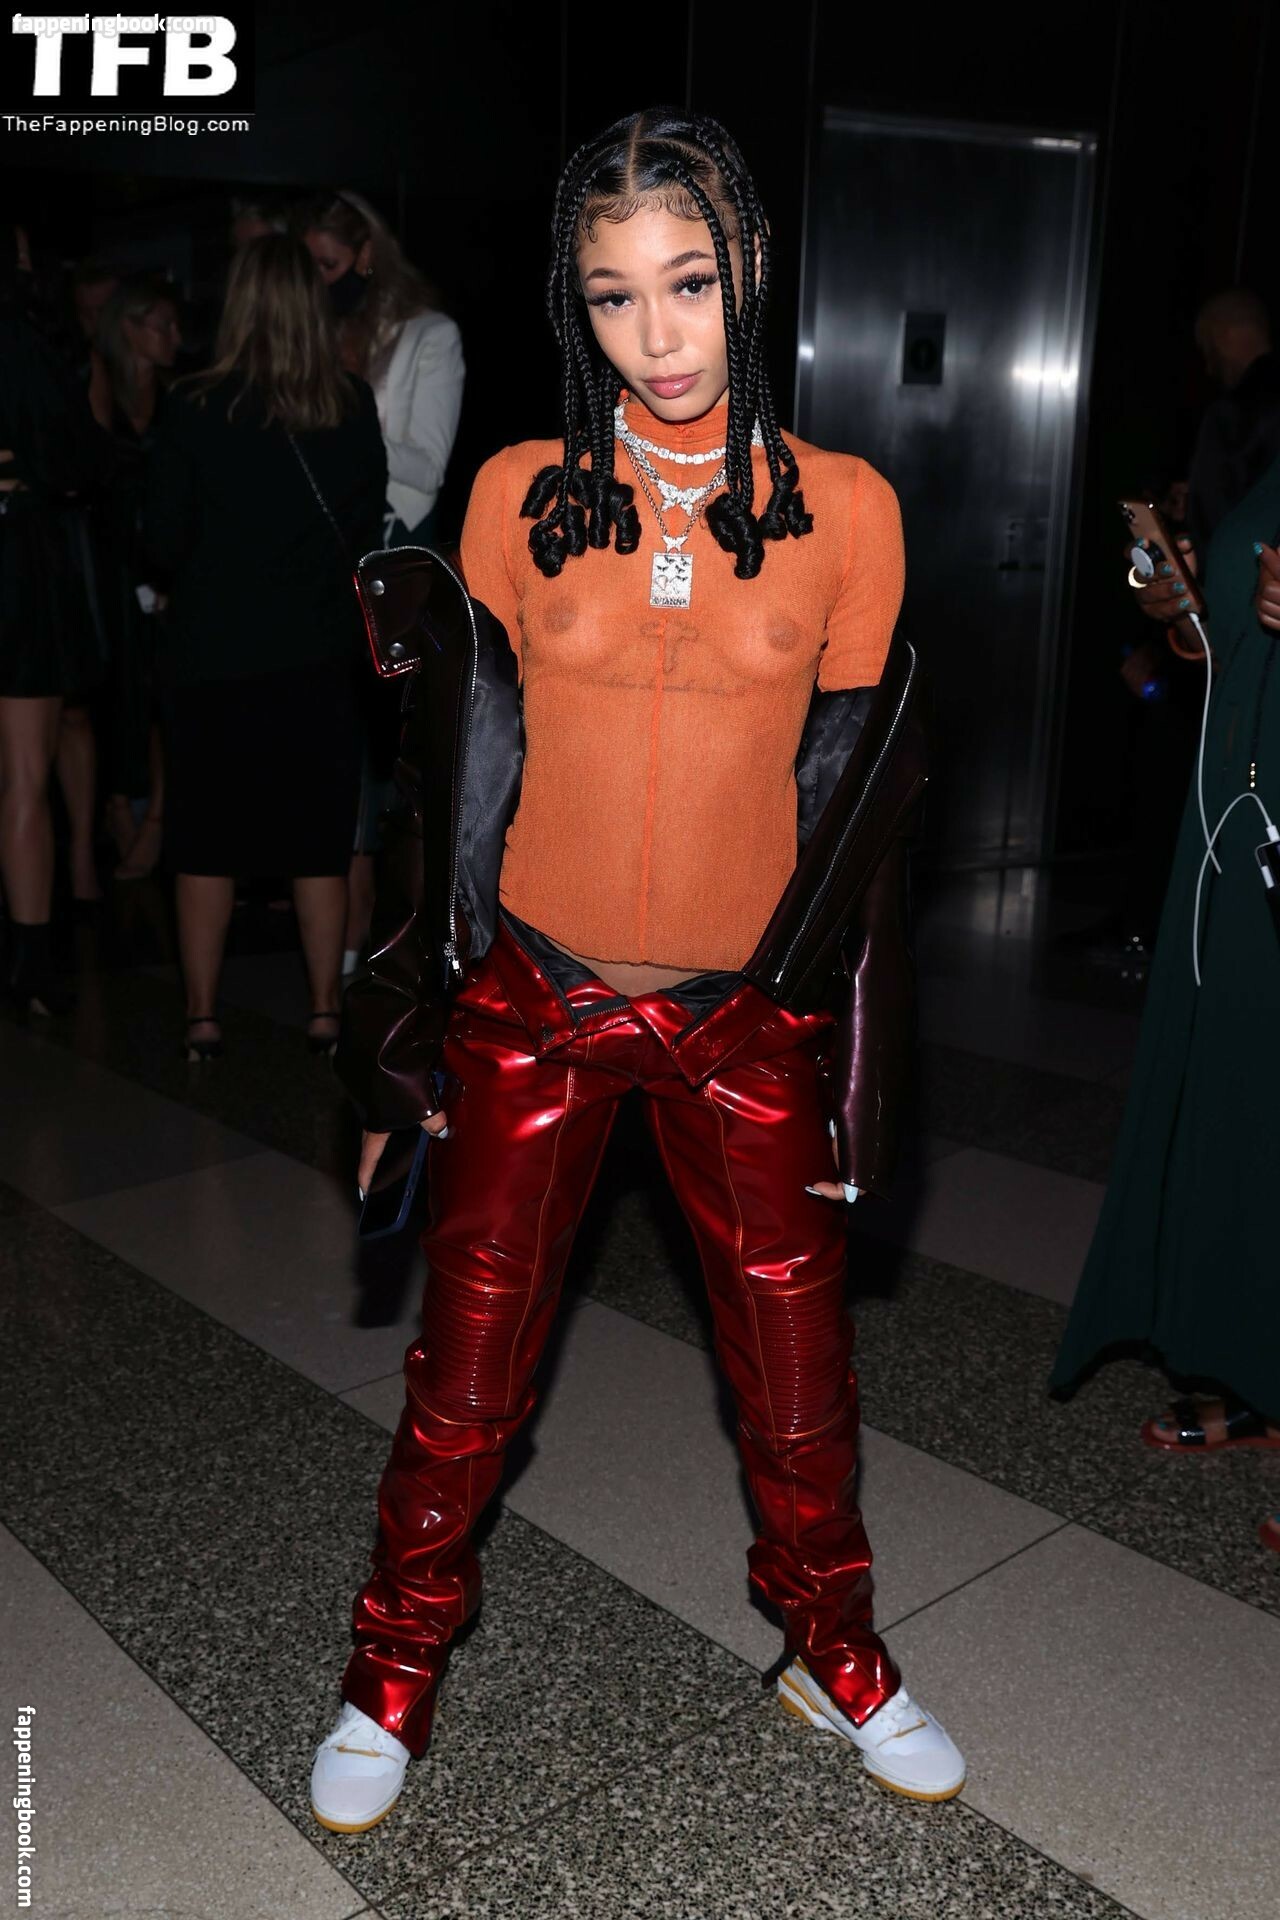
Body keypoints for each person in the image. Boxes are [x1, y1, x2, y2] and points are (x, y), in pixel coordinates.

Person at [309, 108, 966, 1836]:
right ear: (574, 304)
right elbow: (451, 793)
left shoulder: (851, 512)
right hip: (534, 1003)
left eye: (690, 282)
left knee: (801, 1387)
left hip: (742, 1019)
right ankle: (391, 1670)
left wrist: (854, 1072)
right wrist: (399, 1047)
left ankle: (837, 1650)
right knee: (465, 1378)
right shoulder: (517, 493)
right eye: (614, 296)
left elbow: (858, 834)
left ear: (751, 267)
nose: (658, 335)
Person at [1052, 441, 1280, 1551]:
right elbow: (1229, 651)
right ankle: (1261, 1373)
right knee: (1244, 1095)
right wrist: (1187, 609)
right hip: (1247, 809)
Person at [141, 234, 387, 1061]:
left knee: (204, 841)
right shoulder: (350, 404)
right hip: (318, 654)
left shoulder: (193, 406)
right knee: (317, 844)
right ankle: (323, 1013)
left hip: (212, 656)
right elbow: (364, 533)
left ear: (238, 304)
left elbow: (162, 539)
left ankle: (202, 1019)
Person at [294, 188, 466, 977]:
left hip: (391, 562)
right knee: (329, 762)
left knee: (388, 766)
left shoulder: (429, 335)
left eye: (329, 264)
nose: (319, 282)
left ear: (365, 255)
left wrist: (343, 415)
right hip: (319, 560)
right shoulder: (311, 331)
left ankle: (387, 960)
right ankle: (339, 959)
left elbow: (426, 469)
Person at [0, 223, 106, 1012]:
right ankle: (30, 966)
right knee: (24, 778)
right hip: (15, 559)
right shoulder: (24, 341)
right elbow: (76, 458)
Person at [89, 273, 183, 881]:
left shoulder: (181, 397)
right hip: (110, 564)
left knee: (164, 694)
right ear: (129, 328)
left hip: (168, 564)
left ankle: (156, 822)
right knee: (114, 688)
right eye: (162, 325)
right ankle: (118, 807)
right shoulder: (98, 386)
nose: (175, 337)